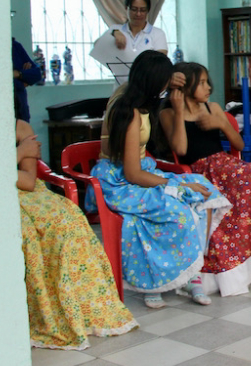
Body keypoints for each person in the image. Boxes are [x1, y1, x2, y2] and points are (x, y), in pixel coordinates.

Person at [91, 51, 232, 309]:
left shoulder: (142, 104)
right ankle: (154, 280)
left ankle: (190, 274)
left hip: (142, 171)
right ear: (155, 82)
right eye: (166, 81)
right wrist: (178, 185)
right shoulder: (127, 112)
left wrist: (184, 183)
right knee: (176, 206)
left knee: (205, 192)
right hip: (119, 181)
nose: (169, 86)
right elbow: (132, 174)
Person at [159, 62, 251, 296]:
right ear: (185, 87)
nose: (208, 87)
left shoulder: (213, 108)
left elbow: (238, 145)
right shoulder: (168, 113)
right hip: (199, 171)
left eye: (208, 81)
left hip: (227, 165)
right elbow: (180, 148)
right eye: (201, 83)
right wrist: (179, 112)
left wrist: (221, 124)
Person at [16, 115, 136, 349]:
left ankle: (86, 310)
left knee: (70, 222)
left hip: (31, 196)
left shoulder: (20, 128)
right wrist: (18, 154)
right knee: (28, 234)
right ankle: (45, 313)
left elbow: (28, 181)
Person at [103, 0, 168, 84]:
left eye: (142, 10)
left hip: (148, 87)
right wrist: (114, 32)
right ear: (126, 8)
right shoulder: (116, 30)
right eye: (134, 9)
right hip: (121, 90)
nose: (138, 14)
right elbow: (98, 47)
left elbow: (161, 63)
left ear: (148, 10)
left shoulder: (157, 33)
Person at [12, 37, 42, 122]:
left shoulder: (15, 46)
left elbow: (36, 74)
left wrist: (19, 74)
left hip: (21, 110)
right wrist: (22, 82)